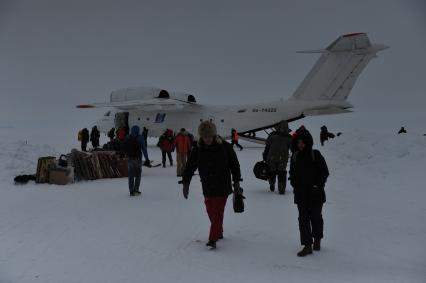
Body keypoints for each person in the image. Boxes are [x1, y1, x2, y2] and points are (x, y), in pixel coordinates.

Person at [182, 121, 241, 249]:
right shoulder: (198, 149)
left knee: (217, 212)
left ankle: (213, 239)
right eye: (205, 137)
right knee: (210, 210)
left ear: (214, 135)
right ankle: (218, 231)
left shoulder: (225, 147)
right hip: (207, 186)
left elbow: (235, 165)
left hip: (222, 185)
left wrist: (236, 182)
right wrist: (186, 182)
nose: (207, 139)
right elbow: (190, 166)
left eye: (209, 136)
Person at [289, 129, 329, 257]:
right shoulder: (295, 156)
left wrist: (318, 185)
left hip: (316, 194)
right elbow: (292, 174)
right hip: (301, 195)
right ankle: (307, 245)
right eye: (298, 142)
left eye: (302, 142)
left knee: (316, 218)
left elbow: (324, 172)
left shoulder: (315, 154)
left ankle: (317, 240)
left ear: (307, 142)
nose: (300, 145)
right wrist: (294, 184)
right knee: (303, 220)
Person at [263, 121, 292, 194]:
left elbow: (293, 148)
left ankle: (280, 189)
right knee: (273, 173)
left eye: (285, 128)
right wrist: (265, 155)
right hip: (274, 158)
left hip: (280, 159)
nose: (283, 129)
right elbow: (267, 146)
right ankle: (273, 185)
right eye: (282, 128)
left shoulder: (288, 138)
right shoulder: (274, 136)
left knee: (281, 173)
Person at [122, 125, 151, 196]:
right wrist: (147, 159)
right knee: (138, 174)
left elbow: (124, 147)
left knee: (131, 174)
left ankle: (131, 191)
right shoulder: (140, 137)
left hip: (129, 158)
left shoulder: (128, 137)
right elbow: (144, 149)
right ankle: (136, 190)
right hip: (138, 158)